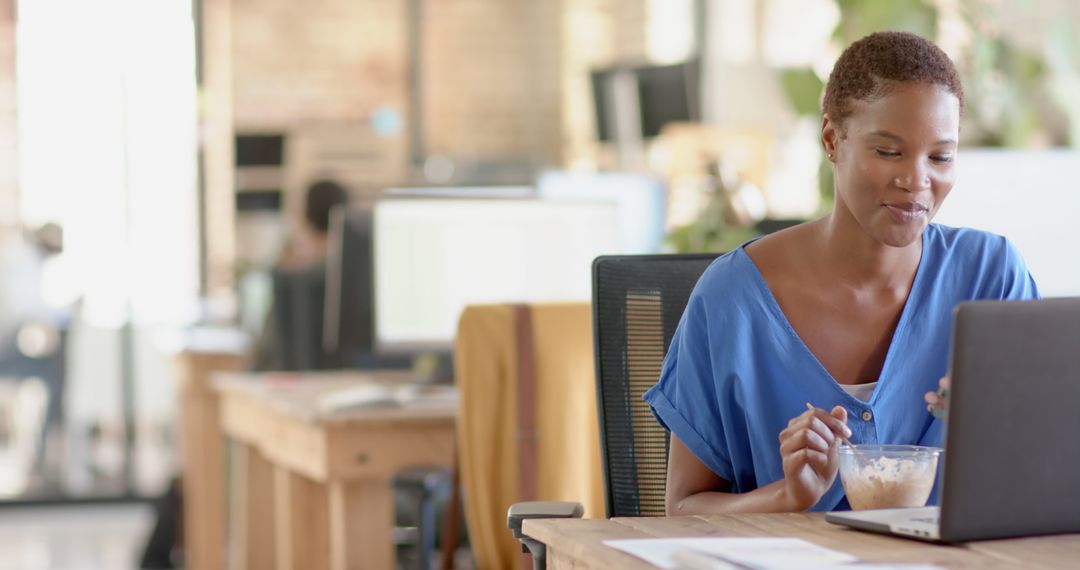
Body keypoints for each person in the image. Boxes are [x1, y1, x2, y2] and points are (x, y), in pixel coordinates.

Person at [644, 31, 1039, 514]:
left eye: (940, 156)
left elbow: (1045, 464)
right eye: (889, 152)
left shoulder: (992, 279)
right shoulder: (731, 300)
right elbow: (683, 511)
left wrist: (1006, 419)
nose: (916, 181)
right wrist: (787, 497)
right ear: (833, 139)